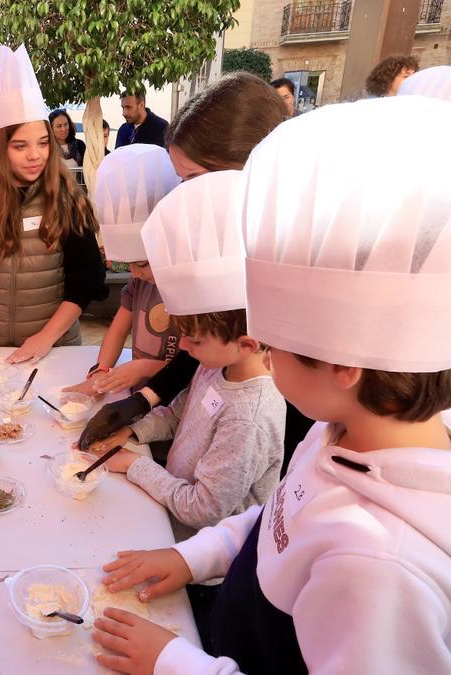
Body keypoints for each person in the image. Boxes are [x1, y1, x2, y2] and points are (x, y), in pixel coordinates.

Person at [90, 95, 451, 675]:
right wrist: (196, 555)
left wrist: (175, 665)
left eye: (271, 340)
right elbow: (279, 521)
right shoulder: (344, 431)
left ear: (343, 363)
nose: (260, 351)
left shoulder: (381, 565)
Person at [80, 73, 310, 474]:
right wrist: (145, 399)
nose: (183, 195)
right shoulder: (234, 232)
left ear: (248, 164)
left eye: (192, 180)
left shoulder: (290, 254)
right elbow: (205, 351)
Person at [84, 170, 284, 541]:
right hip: (170, 516)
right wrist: (132, 429)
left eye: (193, 341)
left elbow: (204, 508)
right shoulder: (216, 366)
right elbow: (180, 413)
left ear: (248, 342)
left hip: (202, 553)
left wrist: (135, 466)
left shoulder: (248, 418)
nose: (185, 352)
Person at [0, 44, 107, 364]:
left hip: (54, 350)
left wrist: (44, 339)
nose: (34, 155)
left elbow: (87, 280)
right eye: (20, 145)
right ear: (2, 149)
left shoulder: (69, 201)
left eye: (43, 143)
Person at [64, 144, 181, 399]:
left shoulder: (188, 291)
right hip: (139, 394)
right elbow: (117, 330)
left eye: (142, 264)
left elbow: (195, 365)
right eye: (129, 265)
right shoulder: (140, 283)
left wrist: (143, 367)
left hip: (175, 398)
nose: (135, 273)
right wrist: (101, 370)